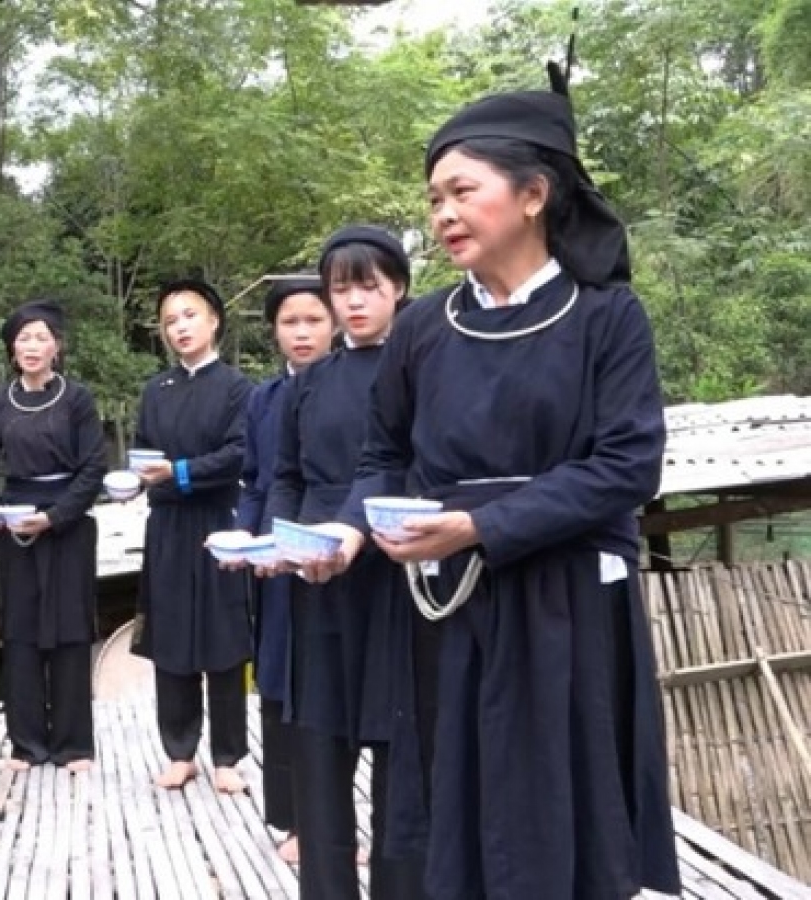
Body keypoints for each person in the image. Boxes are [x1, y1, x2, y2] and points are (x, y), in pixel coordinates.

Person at [308, 71, 682, 899]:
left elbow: (627, 467)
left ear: (534, 194)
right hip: (450, 607)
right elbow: (384, 458)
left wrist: (479, 527)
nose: (441, 214)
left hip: (567, 604)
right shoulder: (424, 329)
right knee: (459, 817)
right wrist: (348, 530)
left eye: (461, 191)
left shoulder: (606, 318)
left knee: (562, 817)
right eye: (434, 196)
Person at [258, 227, 424, 900]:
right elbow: (287, 475)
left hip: (397, 569)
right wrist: (280, 541)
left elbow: (418, 464)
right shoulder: (310, 381)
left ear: (399, 289)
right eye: (341, 289)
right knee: (319, 744)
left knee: (398, 746)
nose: (353, 302)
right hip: (316, 579)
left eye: (368, 286)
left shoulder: (423, 365)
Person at [0, 301, 107, 772]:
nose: (32, 346)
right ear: (12, 348)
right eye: (23, 338)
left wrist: (55, 517)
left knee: (69, 628)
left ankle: (74, 744)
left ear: (57, 345)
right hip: (15, 523)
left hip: (66, 523)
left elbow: (94, 467)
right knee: (21, 630)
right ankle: (26, 744)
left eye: (41, 337)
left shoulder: (77, 400)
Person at [130, 278, 253, 793]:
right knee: (172, 636)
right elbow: (142, 452)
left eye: (188, 316)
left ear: (213, 320)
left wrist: (179, 473)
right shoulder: (156, 391)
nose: (179, 328)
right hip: (167, 526)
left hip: (218, 520)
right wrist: (136, 477)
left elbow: (238, 454)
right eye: (170, 322)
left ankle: (228, 756)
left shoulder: (238, 387)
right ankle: (180, 751)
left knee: (223, 637)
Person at [228, 274, 332, 864]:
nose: (301, 332)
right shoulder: (263, 400)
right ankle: (293, 822)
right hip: (274, 563)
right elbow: (254, 483)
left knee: (338, 689)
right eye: (289, 322)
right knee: (280, 683)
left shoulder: (363, 386)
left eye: (313, 320)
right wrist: (246, 536)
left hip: (338, 552)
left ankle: (345, 821)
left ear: (335, 323)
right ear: (274, 332)